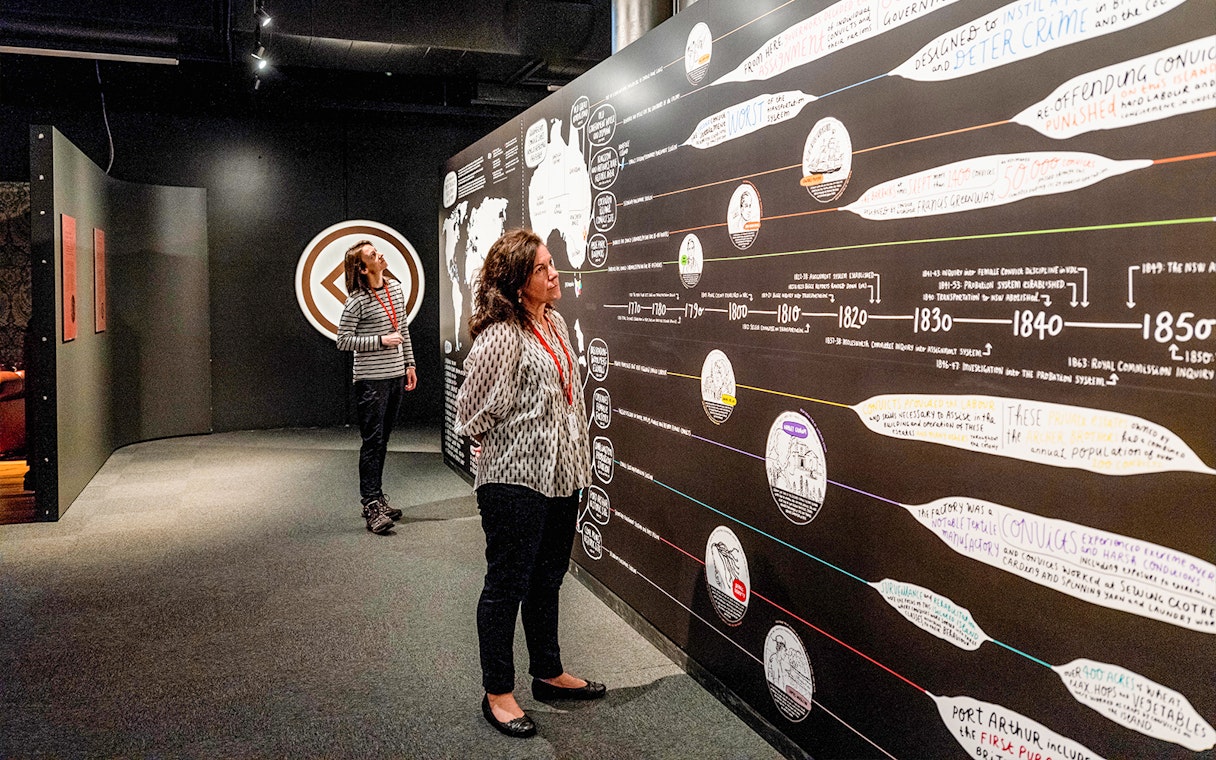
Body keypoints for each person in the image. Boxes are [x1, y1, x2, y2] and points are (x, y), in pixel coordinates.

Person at [455, 229, 605, 739]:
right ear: (520, 282)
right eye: (543, 268)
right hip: (515, 481)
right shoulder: (501, 334)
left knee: (547, 580)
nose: (554, 272)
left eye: (551, 264)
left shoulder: (555, 321)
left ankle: (548, 673)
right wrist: (507, 435)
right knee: (506, 586)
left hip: (563, 477)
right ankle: (497, 693)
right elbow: (469, 412)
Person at [336, 239, 417, 534]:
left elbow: (403, 330)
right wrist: (380, 341)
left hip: (395, 375)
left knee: (382, 440)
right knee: (372, 442)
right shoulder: (356, 300)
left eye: (377, 251)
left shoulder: (395, 288)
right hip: (371, 381)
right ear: (362, 266)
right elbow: (343, 340)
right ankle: (371, 504)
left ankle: (378, 496)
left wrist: (410, 365)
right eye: (372, 254)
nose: (380, 255)